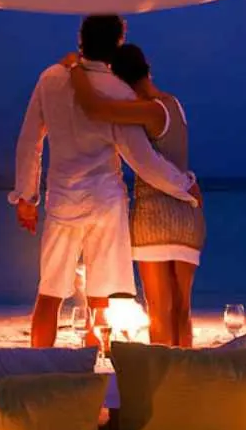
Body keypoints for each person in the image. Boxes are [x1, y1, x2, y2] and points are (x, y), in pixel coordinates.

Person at [11, 15, 202, 348]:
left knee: (50, 292)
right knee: (100, 301)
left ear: (80, 39)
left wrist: (26, 196)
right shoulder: (118, 90)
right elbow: (141, 159)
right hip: (106, 200)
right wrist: (183, 185)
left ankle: (38, 369)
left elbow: (30, 140)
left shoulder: (50, 78)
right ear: (117, 43)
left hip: (62, 198)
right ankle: (91, 371)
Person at [61, 44, 205, 347]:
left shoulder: (148, 111)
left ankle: (165, 384)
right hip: (189, 216)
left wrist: (75, 69)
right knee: (182, 310)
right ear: (147, 68)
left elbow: (95, 108)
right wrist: (187, 183)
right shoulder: (174, 105)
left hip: (154, 216)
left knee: (160, 312)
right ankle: (186, 379)